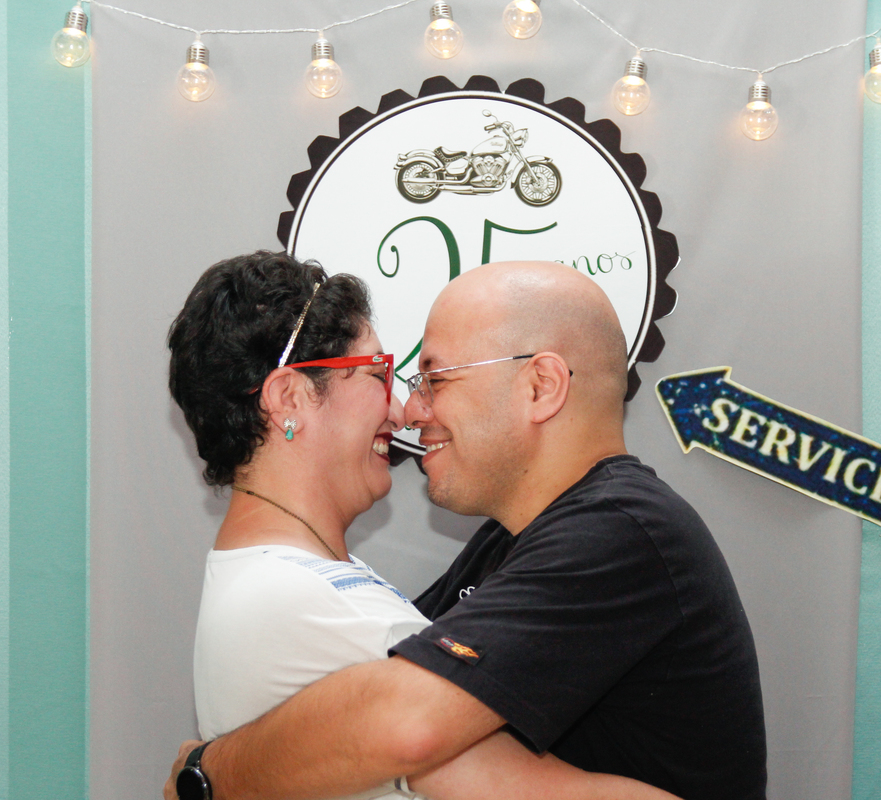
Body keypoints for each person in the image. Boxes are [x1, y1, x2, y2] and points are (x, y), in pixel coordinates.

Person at [166, 258, 768, 800]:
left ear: (541, 387)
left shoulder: (621, 533)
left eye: (437, 378)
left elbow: (406, 719)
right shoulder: (514, 541)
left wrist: (209, 773)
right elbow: (409, 692)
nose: (411, 410)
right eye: (386, 376)